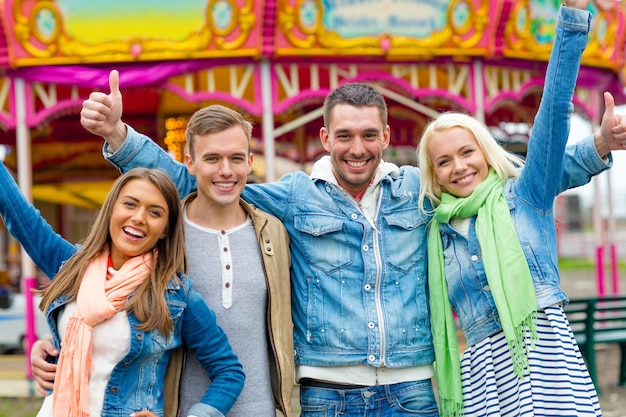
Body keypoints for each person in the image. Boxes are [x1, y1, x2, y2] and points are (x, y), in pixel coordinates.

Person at [70, 2, 621, 414]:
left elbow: (521, 185)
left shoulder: (419, 191)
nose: (356, 148)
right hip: (326, 392)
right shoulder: (292, 196)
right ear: (324, 137)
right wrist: (122, 137)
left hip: (413, 389)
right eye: (343, 136)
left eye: (367, 135)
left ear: (385, 134)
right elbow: (204, 178)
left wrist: (594, 149)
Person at [32, 104, 294, 417]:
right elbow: (115, 299)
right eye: (212, 158)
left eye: (236, 158)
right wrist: (57, 343)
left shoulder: (274, 232)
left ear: (250, 162)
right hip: (172, 408)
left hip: (261, 409)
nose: (226, 170)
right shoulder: (162, 234)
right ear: (190, 164)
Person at [417, 1, 605, 415]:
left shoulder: (524, 196)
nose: (459, 167)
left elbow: (553, 115)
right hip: (484, 375)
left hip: (545, 360)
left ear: (485, 151)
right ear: (432, 173)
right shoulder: (435, 229)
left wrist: (572, 19)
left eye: (467, 152)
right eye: (443, 161)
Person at [0, 164, 245, 417]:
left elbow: (228, 372)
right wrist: (48, 349)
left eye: (154, 212)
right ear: (111, 210)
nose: (139, 217)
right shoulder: (70, 266)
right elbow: (18, 214)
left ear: (164, 230)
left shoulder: (175, 297)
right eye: (130, 204)